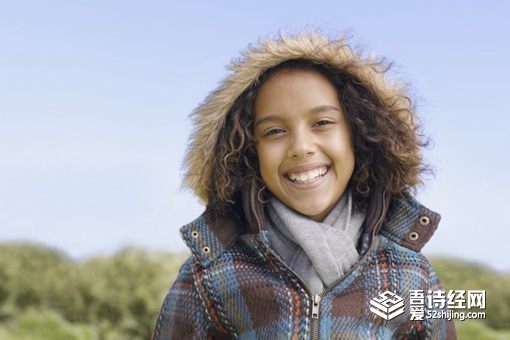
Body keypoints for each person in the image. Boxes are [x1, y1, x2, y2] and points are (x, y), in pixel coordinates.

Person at [152, 31, 457, 339]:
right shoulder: (210, 276)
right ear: (248, 150)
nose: (301, 147)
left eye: (322, 123)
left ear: (360, 133)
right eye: (273, 131)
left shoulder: (411, 273)